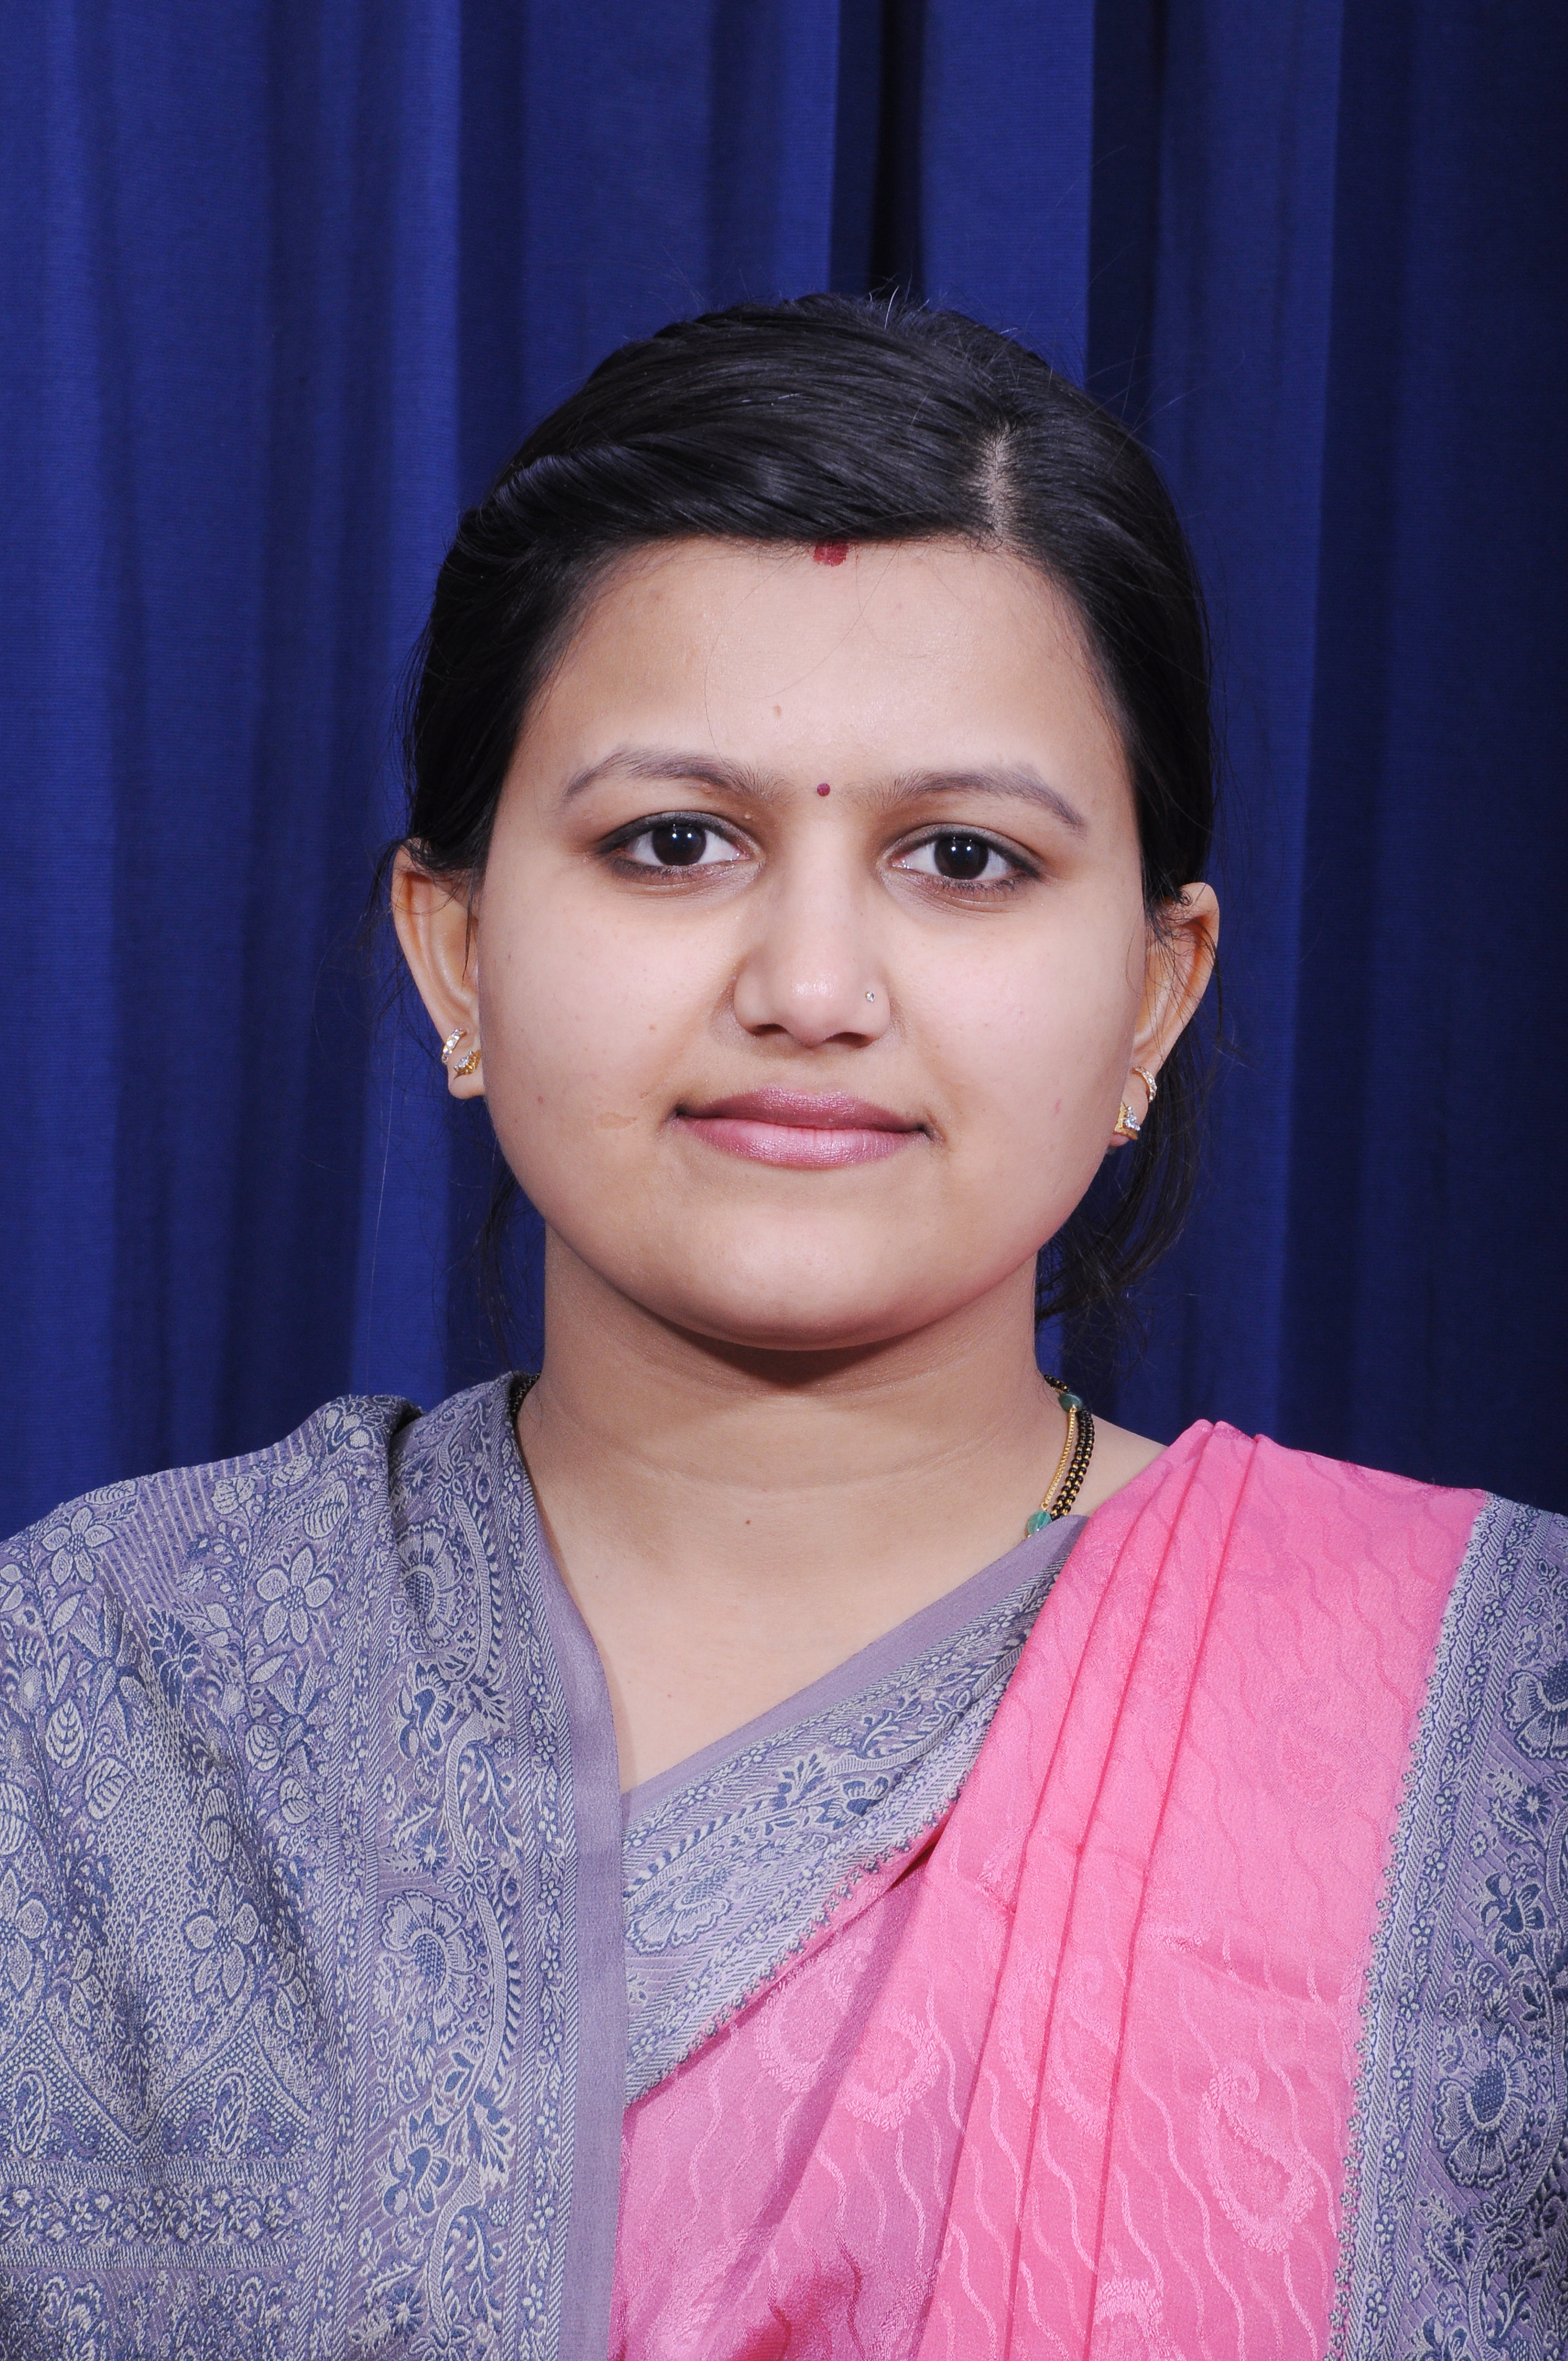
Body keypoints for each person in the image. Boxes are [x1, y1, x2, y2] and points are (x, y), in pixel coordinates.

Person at [0, 296, 1561, 2361]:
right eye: (676, 842)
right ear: (455, 949)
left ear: (1155, 992)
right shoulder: (104, 1698)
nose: (812, 985)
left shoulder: (1498, 1729)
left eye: (963, 858)